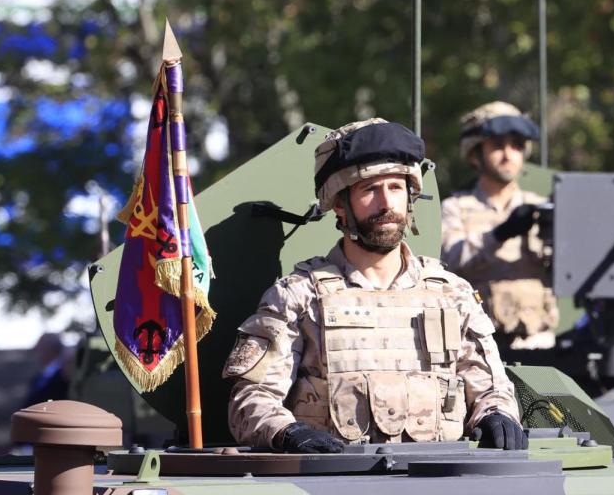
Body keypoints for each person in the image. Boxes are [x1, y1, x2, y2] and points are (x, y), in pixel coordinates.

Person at [223, 118, 525, 453]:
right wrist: (286, 432)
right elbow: (251, 400)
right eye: (370, 189)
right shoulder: (297, 297)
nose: (386, 204)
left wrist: (496, 415)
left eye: (396, 187)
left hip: (440, 479)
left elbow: (492, 390)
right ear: (339, 203)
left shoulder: (452, 295)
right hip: (334, 481)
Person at [440, 101, 558, 351]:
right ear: (474, 154)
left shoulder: (540, 208)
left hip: (538, 341)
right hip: (477, 344)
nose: (508, 155)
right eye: (497, 146)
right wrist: (499, 234)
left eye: (516, 146)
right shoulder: (456, 208)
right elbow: (449, 261)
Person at [22, 333, 72, 408]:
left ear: (50, 349)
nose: (36, 349)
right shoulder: (39, 376)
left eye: (40, 346)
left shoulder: (65, 374)